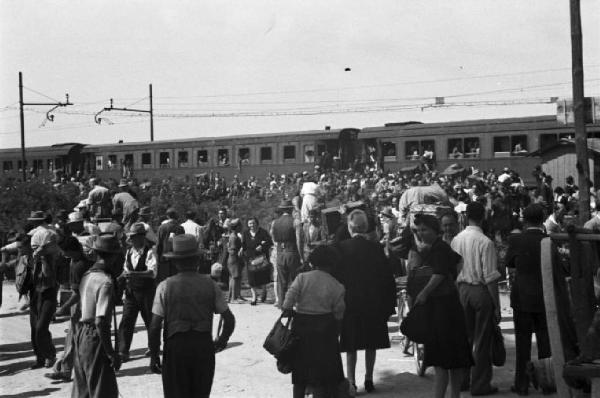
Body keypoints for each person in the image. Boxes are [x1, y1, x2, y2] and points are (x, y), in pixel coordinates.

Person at [148, 234, 236, 398]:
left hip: (176, 347)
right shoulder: (210, 284)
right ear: (197, 260)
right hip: (202, 346)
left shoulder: (165, 286)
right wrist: (222, 341)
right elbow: (229, 319)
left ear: (174, 262)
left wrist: (154, 355)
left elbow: (154, 326)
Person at [336, 209, 396, 395]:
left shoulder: (342, 248)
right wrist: (389, 304)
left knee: (351, 345)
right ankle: (369, 378)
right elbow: (387, 278)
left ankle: (352, 381)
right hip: (373, 302)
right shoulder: (377, 248)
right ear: (366, 227)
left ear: (350, 227)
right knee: (371, 342)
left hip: (351, 302)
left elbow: (337, 277)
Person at [412, 214, 473, 398]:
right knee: (452, 361)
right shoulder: (440, 247)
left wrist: (425, 292)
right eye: (419, 230)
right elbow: (458, 261)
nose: (421, 233)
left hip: (442, 310)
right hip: (449, 307)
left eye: (425, 229)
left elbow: (438, 273)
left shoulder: (438, 249)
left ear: (434, 230)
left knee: (441, 362)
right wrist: (452, 278)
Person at [451, 202, 501, 396]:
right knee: (481, 341)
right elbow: (490, 278)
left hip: (461, 289)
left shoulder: (456, 240)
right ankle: (480, 385)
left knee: (465, 338)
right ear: (483, 217)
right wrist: (496, 306)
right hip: (480, 291)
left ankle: (462, 380)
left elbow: (454, 269)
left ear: (466, 217)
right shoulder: (485, 242)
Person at [282, 245, 346, 398]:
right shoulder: (337, 286)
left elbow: (287, 303)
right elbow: (339, 314)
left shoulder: (302, 278)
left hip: (301, 329)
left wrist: (291, 309)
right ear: (332, 264)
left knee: (300, 374)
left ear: (313, 262)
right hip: (325, 331)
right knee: (320, 376)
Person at [505, 204, 552, 395]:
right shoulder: (548, 240)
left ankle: (522, 384)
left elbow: (508, 262)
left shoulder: (517, 240)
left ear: (525, 219)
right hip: (544, 296)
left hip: (522, 297)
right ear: (542, 219)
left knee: (522, 344)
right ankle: (547, 382)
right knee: (545, 343)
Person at [72, 235, 122, 398]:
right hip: (95, 338)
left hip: (81, 335)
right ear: (113, 256)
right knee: (102, 390)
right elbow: (101, 321)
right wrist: (111, 353)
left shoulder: (87, 275)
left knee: (83, 390)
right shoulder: (105, 281)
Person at [45, 236, 93, 382]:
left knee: (75, 339)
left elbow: (77, 294)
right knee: (72, 338)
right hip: (81, 305)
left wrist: (62, 309)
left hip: (81, 306)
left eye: (64, 251)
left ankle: (69, 370)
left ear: (72, 250)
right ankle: (65, 370)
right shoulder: (76, 261)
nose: (63, 254)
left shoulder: (79, 266)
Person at [117, 223, 157, 363]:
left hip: (146, 292)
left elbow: (151, 273)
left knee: (150, 321)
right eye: (131, 237)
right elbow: (126, 269)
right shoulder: (129, 252)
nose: (132, 240)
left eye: (134, 237)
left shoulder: (150, 252)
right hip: (131, 292)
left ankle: (153, 347)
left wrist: (133, 274)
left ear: (141, 237)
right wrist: (120, 278)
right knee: (127, 320)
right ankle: (123, 351)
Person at [27, 210, 59, 369]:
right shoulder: (42, 236)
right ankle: (41, 357)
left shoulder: (49, 236)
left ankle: (49, 354)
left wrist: (41, 252)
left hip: (48, 288)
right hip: (35, 288)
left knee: (40, 327)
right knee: (35, 326)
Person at [271, 199, 303, 308]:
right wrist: (301, 256)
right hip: (292, 251)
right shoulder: (296, 222)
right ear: (291, 209)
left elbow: (273, 238)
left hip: (280, 252)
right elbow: (299, 240)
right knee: (295, 279)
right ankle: (296, 303)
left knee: (281, 280)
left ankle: (282, 303)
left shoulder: (275, 222)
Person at [241, 217, 273, 305]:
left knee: (262, 276)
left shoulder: (263, 232)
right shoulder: (246, 233)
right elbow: (243, 244)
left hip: (261, 258)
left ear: (257, 223)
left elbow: (270, 242)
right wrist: (241, 250)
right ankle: (254, 297)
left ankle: (263, 292)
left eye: (253, 223)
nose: (251, 225)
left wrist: (262, 246)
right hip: (250, 258)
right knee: (251, 277)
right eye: (250, 223)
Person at [156, 207, 182, 283]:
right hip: (176, 259)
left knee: (165, 282)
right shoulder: (180, 228)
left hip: (164, 258)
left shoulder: (161, 228)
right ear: (176, 216)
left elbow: (159, 245)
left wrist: (158, 259)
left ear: (167, 216)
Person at [224, 219, 244, 303]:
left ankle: (231, 297)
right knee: (234, 278)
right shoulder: (234, 237)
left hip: (233, 259)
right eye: (240, 225)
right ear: (237, 227)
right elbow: (232, 249)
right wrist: (238, 252)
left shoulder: (234, 235)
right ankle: (233, 298)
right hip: (234, 259)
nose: (241, 227)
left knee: (233, 278)